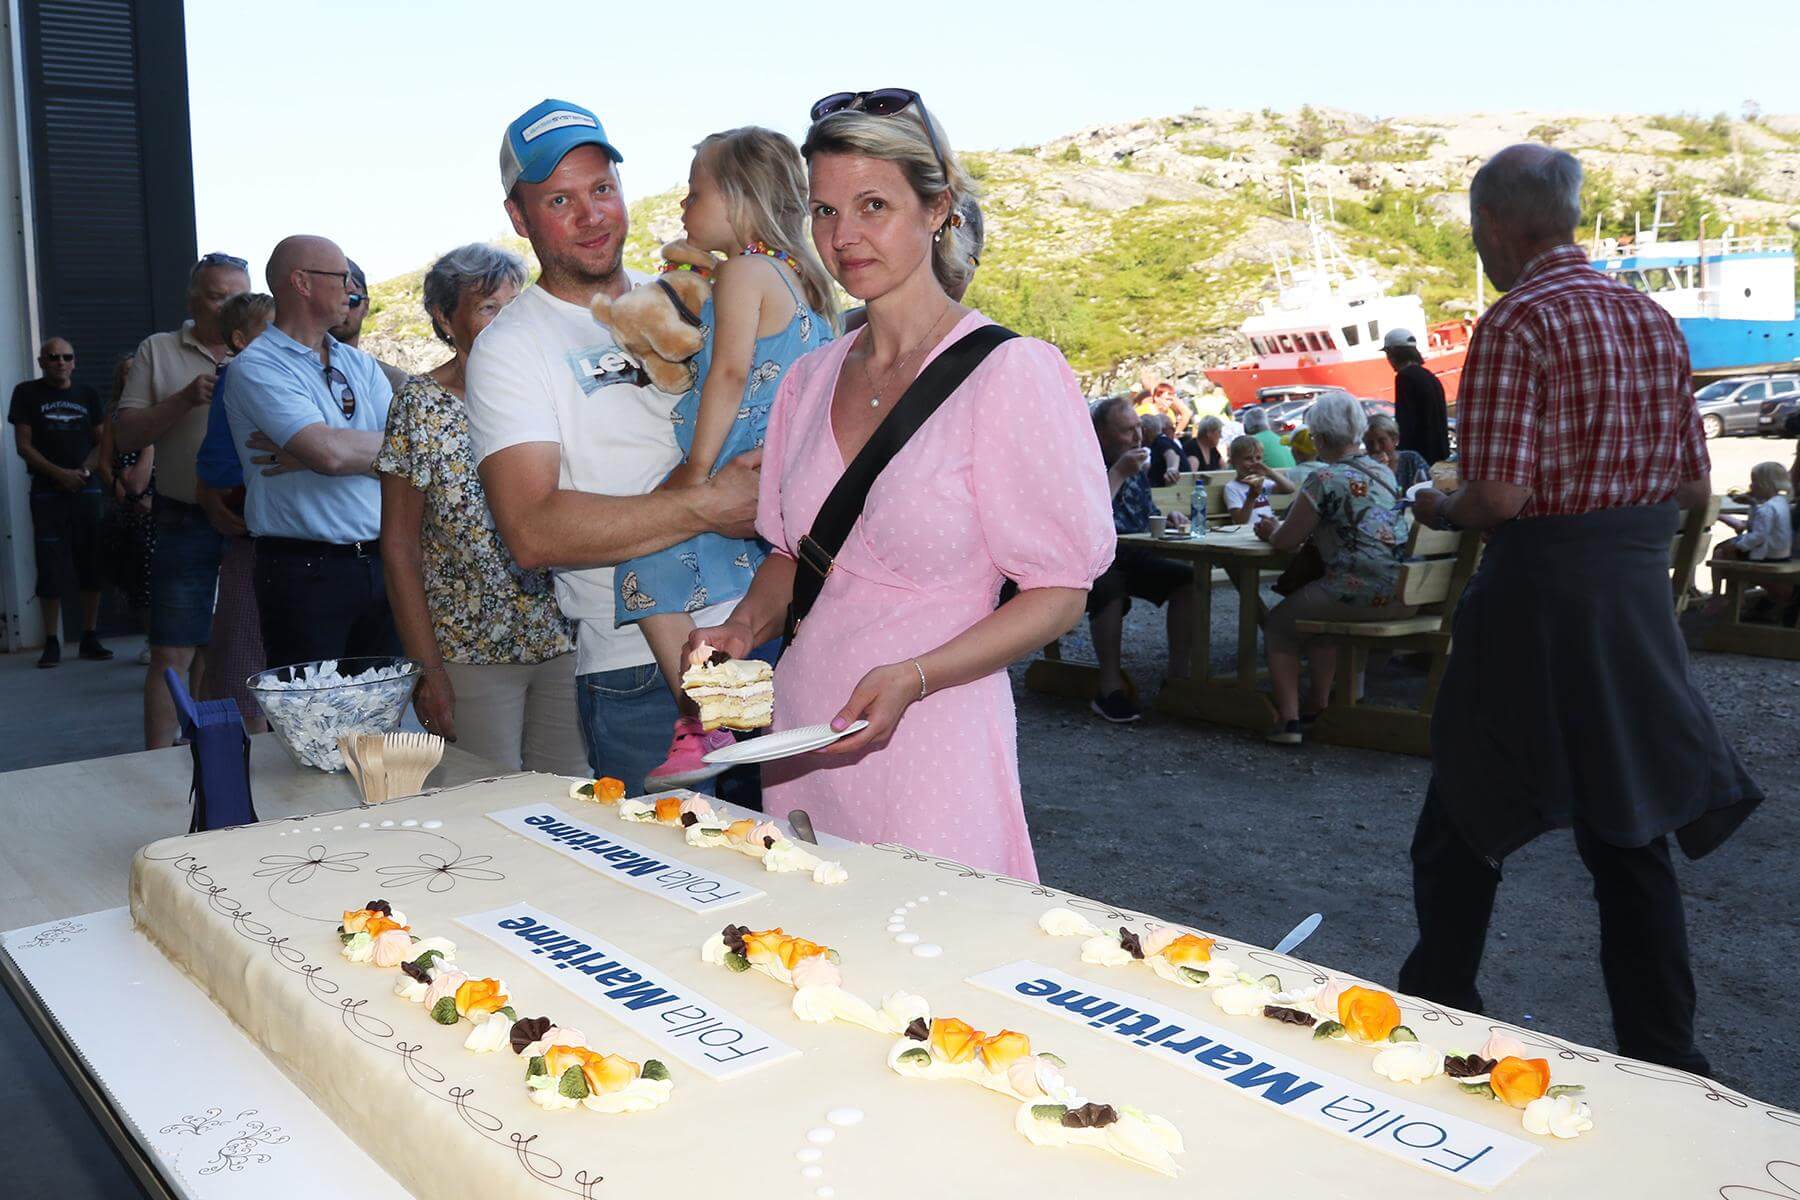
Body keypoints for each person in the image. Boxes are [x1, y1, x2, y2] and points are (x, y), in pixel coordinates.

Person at [681, 90, 1114, 878]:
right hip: (805, 735)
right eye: (823, 212)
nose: (843, 237)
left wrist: (915, 677)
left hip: (932, 729)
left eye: (872, 205)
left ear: (937, 208)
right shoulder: (809, 381)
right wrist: (741, 630)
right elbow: (796, 553)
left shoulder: (1008, 373)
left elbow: (1059, 591)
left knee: (933, 966)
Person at [1404, 144, 1760, 1074]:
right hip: (1632, 608)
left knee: (1464, 818)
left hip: (1539, 603)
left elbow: (1501, 499)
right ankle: (1667, 1055)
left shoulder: (1517, 321)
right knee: (1628, 833)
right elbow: (1691, 486)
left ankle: (1438, 1010)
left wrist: (1440, 504)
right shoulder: (1651, 316)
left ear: (1493, 226)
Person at [464, 99, 762, 792]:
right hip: (639, 673)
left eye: (602, 189)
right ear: (519, 218)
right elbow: (532, 532)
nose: (591, 215)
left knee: (801, 874)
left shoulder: (694, 301)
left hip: (760, 631)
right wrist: (710, 504)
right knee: (678, 889)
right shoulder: (513, 347)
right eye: (560, 199)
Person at [612, 127, 837, 788]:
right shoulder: (803, 281)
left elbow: (731, 374)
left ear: (739, 199)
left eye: (695, 191)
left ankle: (700, 714)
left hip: (735, 459)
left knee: (641, 552)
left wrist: (695, 473)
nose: (684, 206)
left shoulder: (744, 271)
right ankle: (728, 703)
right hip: (783, 464)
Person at [377, 243, 585, 774]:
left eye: (513, 306)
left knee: (569, 802)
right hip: (469, 654)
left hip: (564, 636)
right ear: (446, 319)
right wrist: (428, 670)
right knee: (482, 805)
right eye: (488, 307)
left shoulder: (548, 389)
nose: (504, 321)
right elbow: (399, 547)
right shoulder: (421, 405)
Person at [220, 236, 398, 668]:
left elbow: (411, 451)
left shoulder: (360, 364)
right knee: (314, 719)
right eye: (341, 277)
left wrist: (325, 450)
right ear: (301, 282)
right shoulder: (257, 366)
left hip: (381, 562)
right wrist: (327, 452)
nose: (352, 290)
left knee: (378, 717)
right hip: (303, 572)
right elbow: (331, 456)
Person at [114, 251, 249, 746]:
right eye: (218, 297)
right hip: (182, 518)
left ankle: (212, 756)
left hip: (247, 522)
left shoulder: (261, 349)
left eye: (240, 295)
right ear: (194, 300)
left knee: (230, 653)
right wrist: (186, 398)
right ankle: (157, 771)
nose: (231, 306)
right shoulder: (158, 349)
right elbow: (126, 436)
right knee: (172, 651)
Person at [1253, 392, 1415, 744]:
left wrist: (1270, 530)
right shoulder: (1383, 471)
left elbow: (1285, 542)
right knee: (1319, 626)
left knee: (1280, 626)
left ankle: (1289, 721)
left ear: (1321, 438)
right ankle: (1317, 706)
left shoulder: (1324, 478)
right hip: (1405, 590)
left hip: (1359, 590)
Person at [193, 292, 276, 728]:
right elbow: (216, 461)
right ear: (241, 340)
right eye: (271, 329)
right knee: (246, 653)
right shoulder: (240, 377)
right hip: (249, 528)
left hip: (257, 528)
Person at [1085, 396, 1194, 724]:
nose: (1136, 437)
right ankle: (1109, 689)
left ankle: (1177, 679)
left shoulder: (1133, 464)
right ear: (1101, 433)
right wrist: (1117, 472)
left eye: (1137, 428)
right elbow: (1088, 516)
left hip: (1133, 553)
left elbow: (1145, 512)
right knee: (1109, 586)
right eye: (1126, 430)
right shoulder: (1084, 462)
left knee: (1186, 580)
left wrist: (1167, 517)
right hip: (1093, 559)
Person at [8, 338, 109, 666]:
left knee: (91, 561)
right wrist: (59, 474)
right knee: (49, 563)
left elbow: (103, 440)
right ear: (42, 361)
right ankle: (51, 640)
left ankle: (89, 636)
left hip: (86, 488)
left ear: (74, 362)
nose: (60, 362)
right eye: (53, 357)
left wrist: (83, 471)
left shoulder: (87, 395)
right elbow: (24, 445)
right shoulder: (26, 394)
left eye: (67, 357)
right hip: (48, 491)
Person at [842, 195, 982, 334]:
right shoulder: (833, 336)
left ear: (972, 272)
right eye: (928, 256)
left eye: (958, 261)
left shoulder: (993, 350)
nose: (943, 274)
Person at [97, 355, 155, 657]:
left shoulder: (161, 410)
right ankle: (150, 638)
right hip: (130, 504)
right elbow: (104, 463)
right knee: (139, 579)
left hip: (161, 499)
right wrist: (120, 492)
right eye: (125, 372)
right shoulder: (115, 418)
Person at [1710, 461, 1793, 599]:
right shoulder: (1781, 502)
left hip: (1767, 554)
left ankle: (1719, 597)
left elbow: (1758, 536)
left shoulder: (1767, 508)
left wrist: (1738, 545)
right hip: (1781, 552)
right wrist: (1753, 504)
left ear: (1765, 484)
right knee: (1730, 550)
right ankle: (1736, 598)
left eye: (1754, 481)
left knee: (1720, 552)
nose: (1751, 486)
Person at [331, 259, 411, 393]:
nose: (342, 308)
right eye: (332, 300)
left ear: (366, 306)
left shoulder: (393, 380)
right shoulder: (292, 372)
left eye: (352, 300)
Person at [1384, 328, 1451, 465]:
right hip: (1440, 455)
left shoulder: (1405, 377)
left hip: (1420, 458)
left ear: (1393, 353)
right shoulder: (1429, 376)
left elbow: (1406, 422)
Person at [1224, 433, 1294, 525]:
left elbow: (1290, 489)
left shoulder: (1263, 483)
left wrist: (1269, 472)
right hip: (1245, 533)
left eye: (1258, 458)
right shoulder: (1232, 488)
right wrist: (1251, 496)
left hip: (1267, 529)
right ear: (1233, 461)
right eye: (1248, 458)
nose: (1255, 463)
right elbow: (1240, 521)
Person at [1364, 412, 1429, 490]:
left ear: (1395, 439)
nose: (1376, 448)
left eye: (1382, 441)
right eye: (1370, 443)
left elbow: (1430, 485)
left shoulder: (1411, 459)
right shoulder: (1361, 466)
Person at [1142, 411, 1183, 487]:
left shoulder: (1160, 441)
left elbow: (1172, 454)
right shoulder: (1161, 441)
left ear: (1144, 431)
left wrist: (1172, 469)